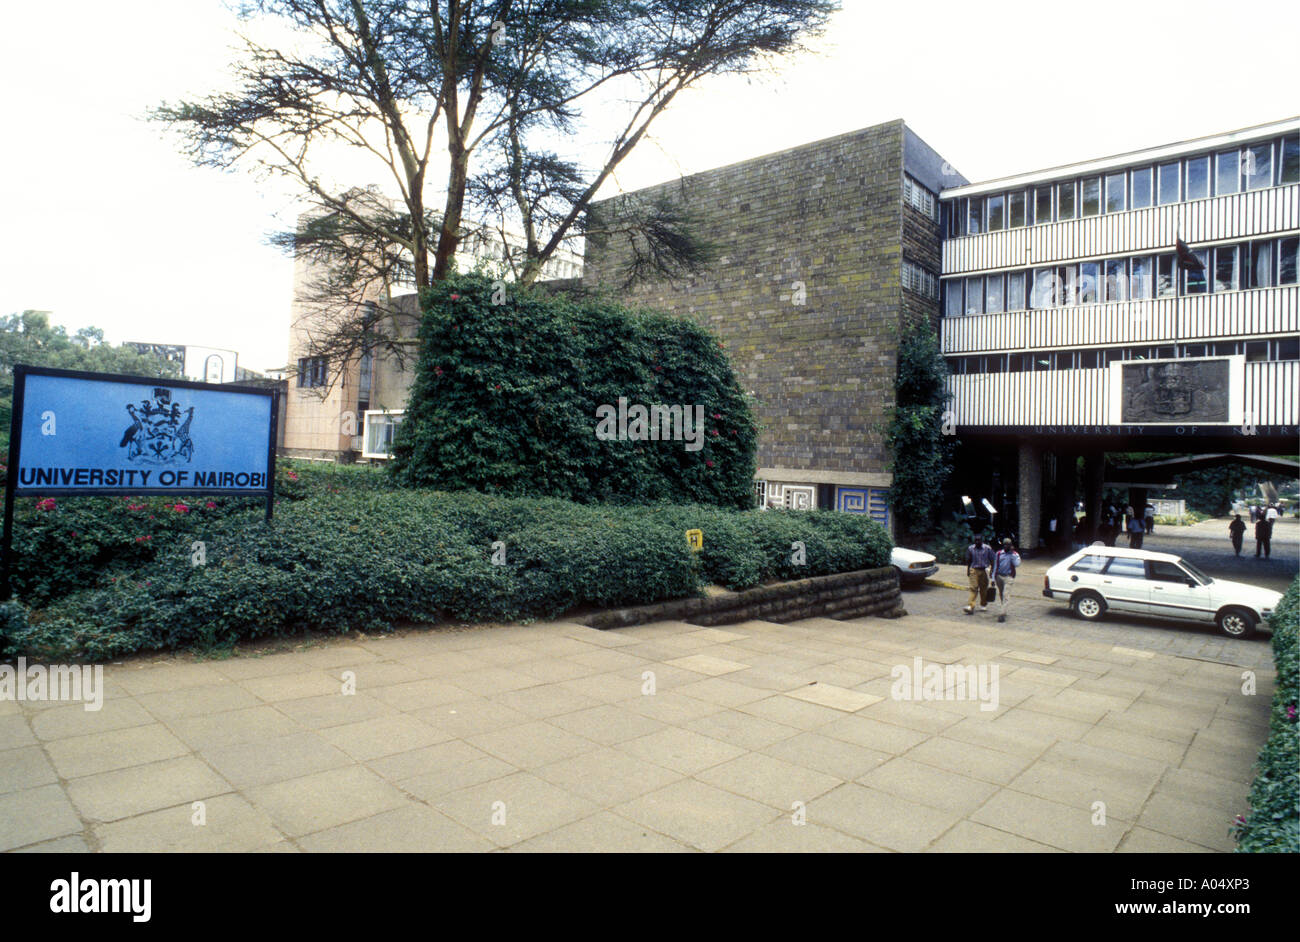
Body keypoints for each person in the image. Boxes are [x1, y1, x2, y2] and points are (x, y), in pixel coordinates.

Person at [963, 534, 996, 615]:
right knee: (973, 588)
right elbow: (969, 560)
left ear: (982, 541)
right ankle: (970, 606)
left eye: (979, 540)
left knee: (983, 589)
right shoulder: (971, 548)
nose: (977, 542)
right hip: (974, 570)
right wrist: (968, 570)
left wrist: (992, 571)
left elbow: (993, 560)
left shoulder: (987, 548)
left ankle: (983, 604)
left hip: (983, 570)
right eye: (976, 540)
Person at [992, 538, 1021, 623]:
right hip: (999, 576)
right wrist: (993, 578)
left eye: (1008, 544)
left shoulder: (1015, 554)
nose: (1006, 546)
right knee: (1001, 593)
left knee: (1006, 595)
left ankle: (1002, 613)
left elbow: (1017, 564)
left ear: (1011, 545)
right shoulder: (999, 554)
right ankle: (1003, 608)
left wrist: (1012, 554)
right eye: (1005, 544)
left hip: (1009, 577)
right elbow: (995, 566)